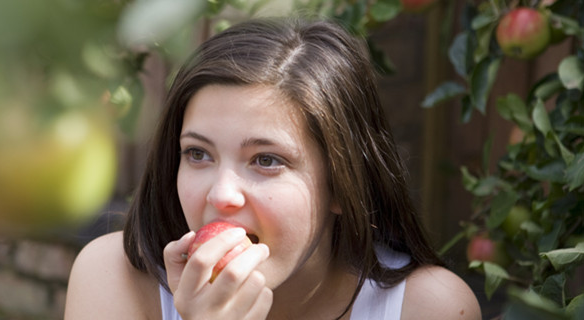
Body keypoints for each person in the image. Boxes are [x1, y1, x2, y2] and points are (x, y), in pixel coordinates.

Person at [65, 17, 480, 320]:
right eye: (198, 154)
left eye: (266, 160)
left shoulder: (428, 308)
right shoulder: (113, 278)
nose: (221, 193)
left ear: (342, 184)